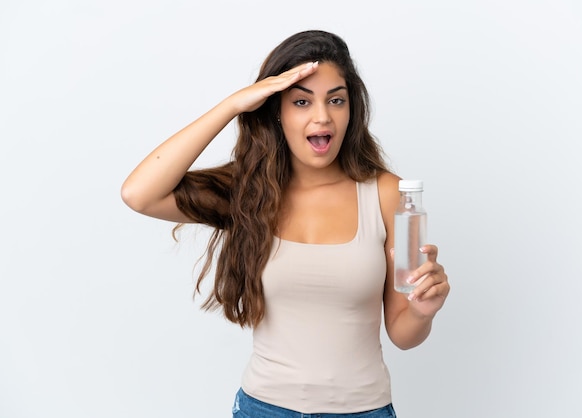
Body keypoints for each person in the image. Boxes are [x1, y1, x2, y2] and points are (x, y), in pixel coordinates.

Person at [121, 30, 449, 417]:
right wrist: (232, 106)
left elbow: (402, 334)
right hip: (264, 408)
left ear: (351, 110)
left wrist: (422, 311)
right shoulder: (249, 194)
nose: (322, 116)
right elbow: (139, 194)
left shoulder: (387, 194)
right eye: (301, 101)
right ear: (277, 111)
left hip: (365, 410)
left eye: (336, 100)